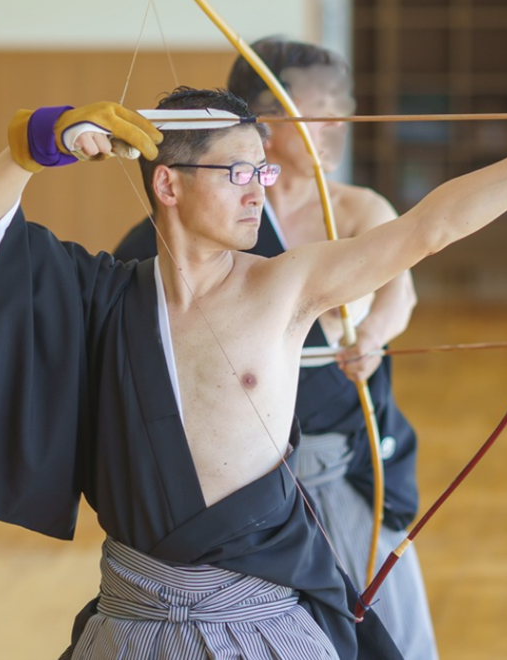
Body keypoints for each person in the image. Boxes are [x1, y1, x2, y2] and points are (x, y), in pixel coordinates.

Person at [0, 86, 507, 659]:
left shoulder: (283, 286)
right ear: (167, 184)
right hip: (135, 621)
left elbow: (429, 228)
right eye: (237, 173)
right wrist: (35, 144)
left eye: (261, 171)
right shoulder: (98, 295)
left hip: (260, 619)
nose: (257, 192)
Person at [116, 38, 437, 658]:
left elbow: (402, 289)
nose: (338, 120)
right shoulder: (189, 229)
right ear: (264, 117)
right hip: (238, 491)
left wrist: (372, 337)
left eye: (344, 103)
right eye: (321, 105)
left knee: (390, 633)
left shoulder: (357, 208)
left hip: (336, 463)